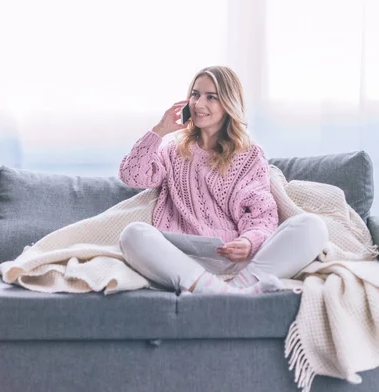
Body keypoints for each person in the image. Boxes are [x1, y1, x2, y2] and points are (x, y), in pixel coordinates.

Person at [118, 65, 328, 295]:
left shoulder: (249, 155)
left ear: (228, 103)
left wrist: (249, 242)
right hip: (182, 260)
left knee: (312, 226)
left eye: (211, 97)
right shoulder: (172, 151)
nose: (198, 104)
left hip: (236, 261)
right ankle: (233, 294)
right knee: (132, 234)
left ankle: (224, 291)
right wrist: (159, 130)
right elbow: (132, 175)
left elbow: (261, 214)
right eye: (195, 95)